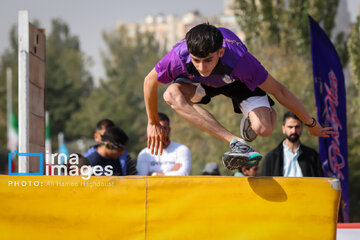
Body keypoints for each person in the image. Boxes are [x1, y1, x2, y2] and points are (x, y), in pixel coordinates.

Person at [144, 23, 332, 170]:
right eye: (196, 61)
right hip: (198, 85)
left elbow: (279, 90)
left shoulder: (242, 61)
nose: (202, 68)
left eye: (208, 60)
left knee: (264, 128)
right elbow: (149, 82)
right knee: (171, 94)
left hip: (238, 83)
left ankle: (258, 114)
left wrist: (310, 123)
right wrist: (152, 122)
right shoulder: (177, 57)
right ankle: (236, 142)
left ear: (221, 52)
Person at [260, 112, 324, 177]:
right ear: (283, 129)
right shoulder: (272, 157)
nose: (294, 131)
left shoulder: (312, 156)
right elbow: (265, 184)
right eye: (290, 127)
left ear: (301, 128)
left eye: (297, 127)